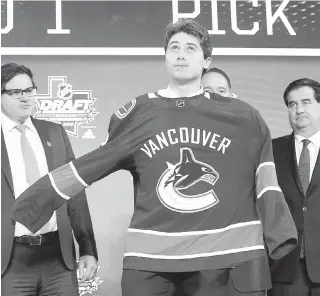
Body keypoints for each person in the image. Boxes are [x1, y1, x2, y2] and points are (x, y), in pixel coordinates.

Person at [11, 19, 297, 296]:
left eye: (190, 48)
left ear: (206, 60)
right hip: (152, 259)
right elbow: (92, 164)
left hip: (223, 256)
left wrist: (279, 231)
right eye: (174, 47)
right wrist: (34, 201)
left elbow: (266, 177)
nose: (181, 54)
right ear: (165, 58)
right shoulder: (140, 113)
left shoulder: (242, 117)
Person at [1, 63, 98, 296]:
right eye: (15, 92)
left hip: (58, 258)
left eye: (29, 90)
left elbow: (75, 194)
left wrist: (87, 248)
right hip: (10, 260)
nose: (25, 98)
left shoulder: (55, 133)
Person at [201, 68, 272, 294]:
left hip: (245, 269)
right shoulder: (178, 144)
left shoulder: (254, 138)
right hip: (196, 271)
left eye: (221, 90)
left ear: (233, 97)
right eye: (206, 90)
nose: (215, 95)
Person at [269, 78, 320, 296]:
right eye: (292, 104)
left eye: (306, 102)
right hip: (284, 267)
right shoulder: (271, 151)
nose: (299, 110)